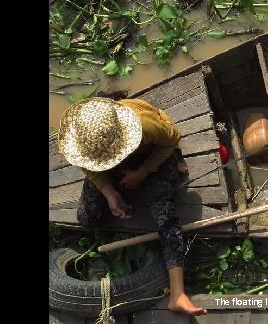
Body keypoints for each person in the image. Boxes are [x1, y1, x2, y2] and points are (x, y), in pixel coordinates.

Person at [58, 96, 208, 316]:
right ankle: (129, 177)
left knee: (163, 212)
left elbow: (173, 137)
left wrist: (143, 172)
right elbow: (87, 167)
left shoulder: (144, 126)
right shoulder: (82, 142)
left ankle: (177, 294)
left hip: (151, 151)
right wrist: (109, 192)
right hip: (117, 158)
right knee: (87, 217)